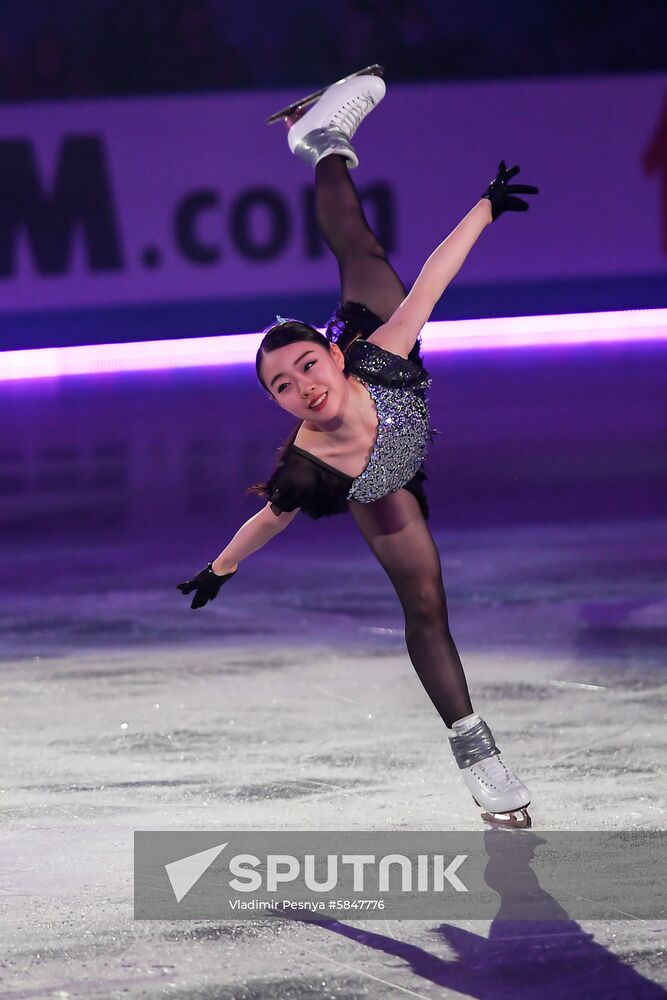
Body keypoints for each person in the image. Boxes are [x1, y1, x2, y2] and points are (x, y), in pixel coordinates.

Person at [177, 69, 539, 828]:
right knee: (426, 609)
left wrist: (484, 207)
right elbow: (267, 520)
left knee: (362, 246)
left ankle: (322, 142)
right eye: (281, 385)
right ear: (277, 404)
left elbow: (434, 283)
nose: (301, 386)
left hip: (380, 365)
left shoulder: (377, 348)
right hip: (382, 490)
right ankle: (479, 759)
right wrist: (220, 567)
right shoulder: (313, 467)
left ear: (334, 356)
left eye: (306, 364)